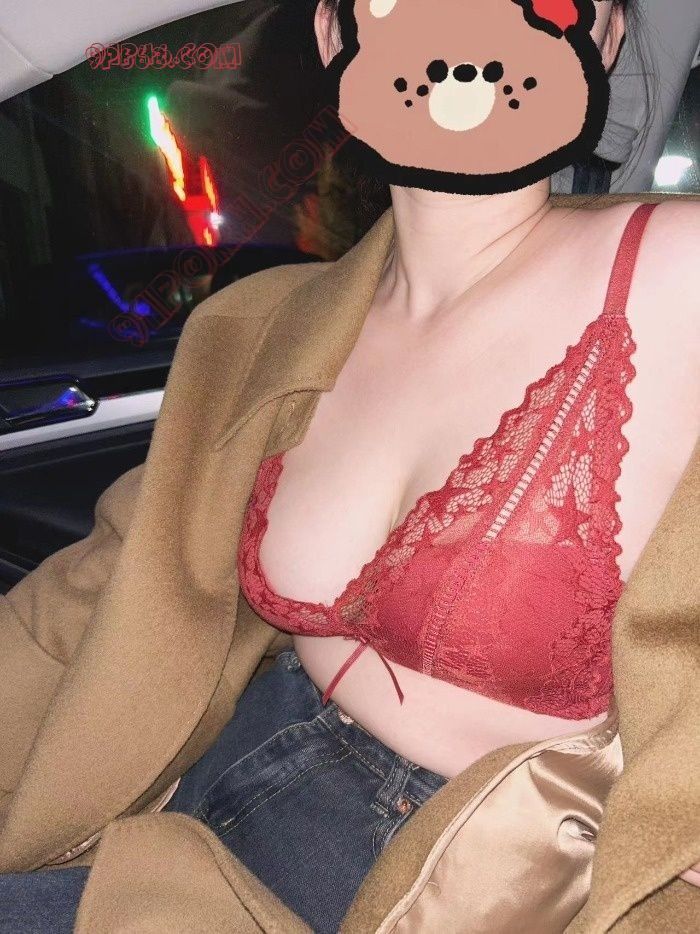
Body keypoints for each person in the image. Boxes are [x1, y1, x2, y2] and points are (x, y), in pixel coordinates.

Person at [0, 2, 698, 932]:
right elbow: (105, 582)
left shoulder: (677, 274)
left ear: (603, 41)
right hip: (207, 784)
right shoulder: (262, 322)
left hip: (461, 880)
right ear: (336, 36)